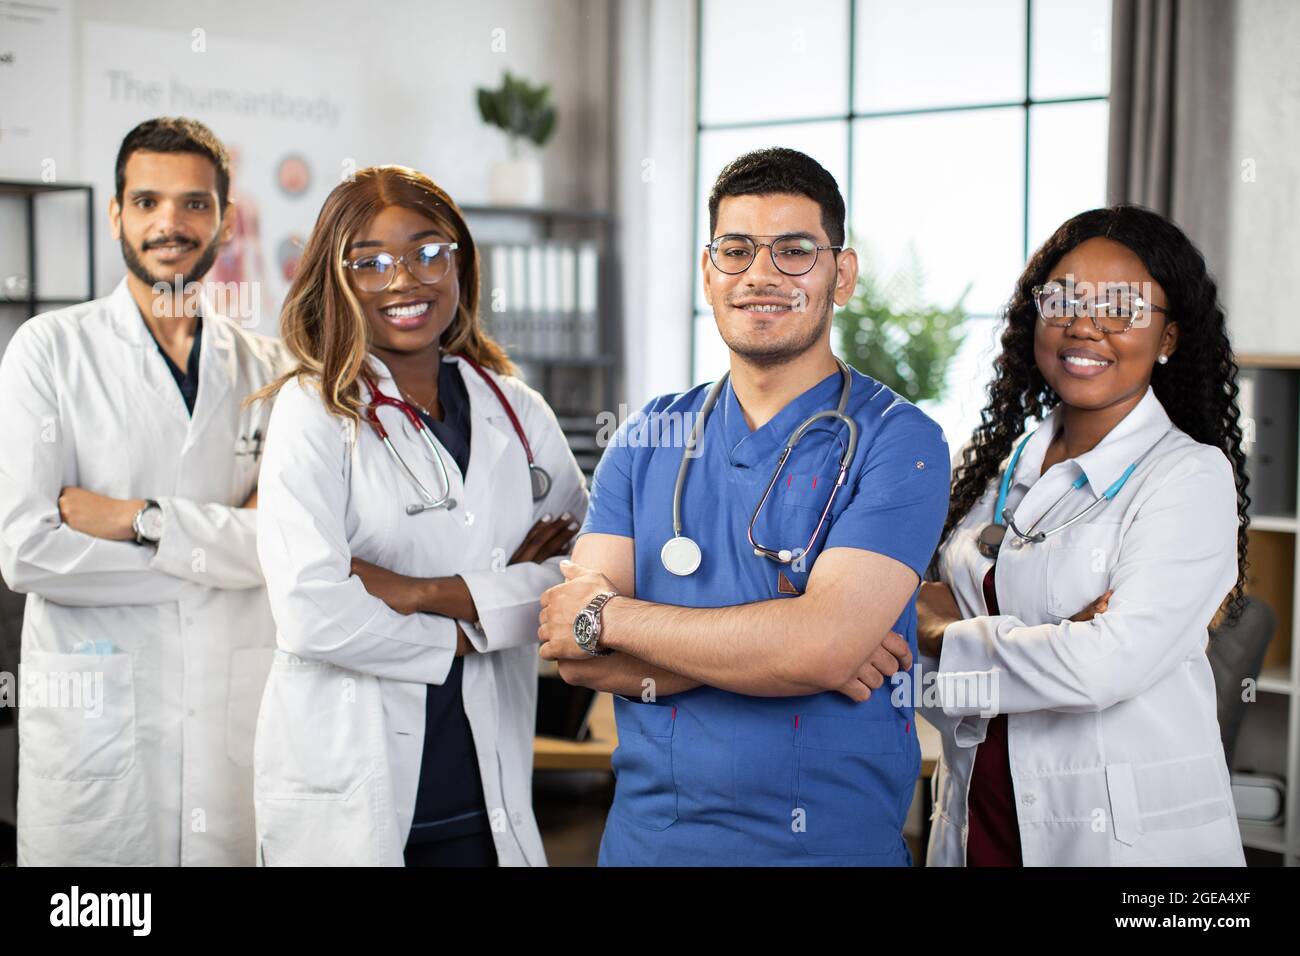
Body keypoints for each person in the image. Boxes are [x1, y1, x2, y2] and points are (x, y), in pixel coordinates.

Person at [538, 147, 950, 866]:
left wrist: (616, 617)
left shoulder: (900, 441)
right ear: (709, 272)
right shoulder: (648, 436)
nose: (761, 274)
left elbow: (818, 648)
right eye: (736, 250)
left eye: (795, 251)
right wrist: (792, 646)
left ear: (840, 274)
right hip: (650, 846)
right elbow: (575, 655)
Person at [252, 165, 588, 866]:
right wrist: (480, 624)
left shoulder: (516, 411)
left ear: (459, 260)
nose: (405, 280)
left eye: (428, 251)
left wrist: (419, 593)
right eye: (370, 263)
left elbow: (583, 582)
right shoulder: (314, 412)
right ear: (335, 280)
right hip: (351, 789)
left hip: (485, 787)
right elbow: (313, 611)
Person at [918, 205, 1249, 866]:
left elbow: (1106, 666)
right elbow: (893, 643)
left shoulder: (1188, 476)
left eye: (1123, 308)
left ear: (1169, 338)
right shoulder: (993, 470)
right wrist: (1055, 637)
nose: (1085, 325)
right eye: (1063, 299)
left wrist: (943, 633)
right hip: (977, 815)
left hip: (1120, 844)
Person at [0, 116, 287, 865]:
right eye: (148, 201)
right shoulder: (48, 351)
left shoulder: (272, 370)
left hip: (231, 722)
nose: (171, 223)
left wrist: (135, 522)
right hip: (97, 732)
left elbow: (286, 547)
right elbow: (28, 552)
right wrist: (222, 550)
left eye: (195, 203)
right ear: (116, 214)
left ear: (224, 217)